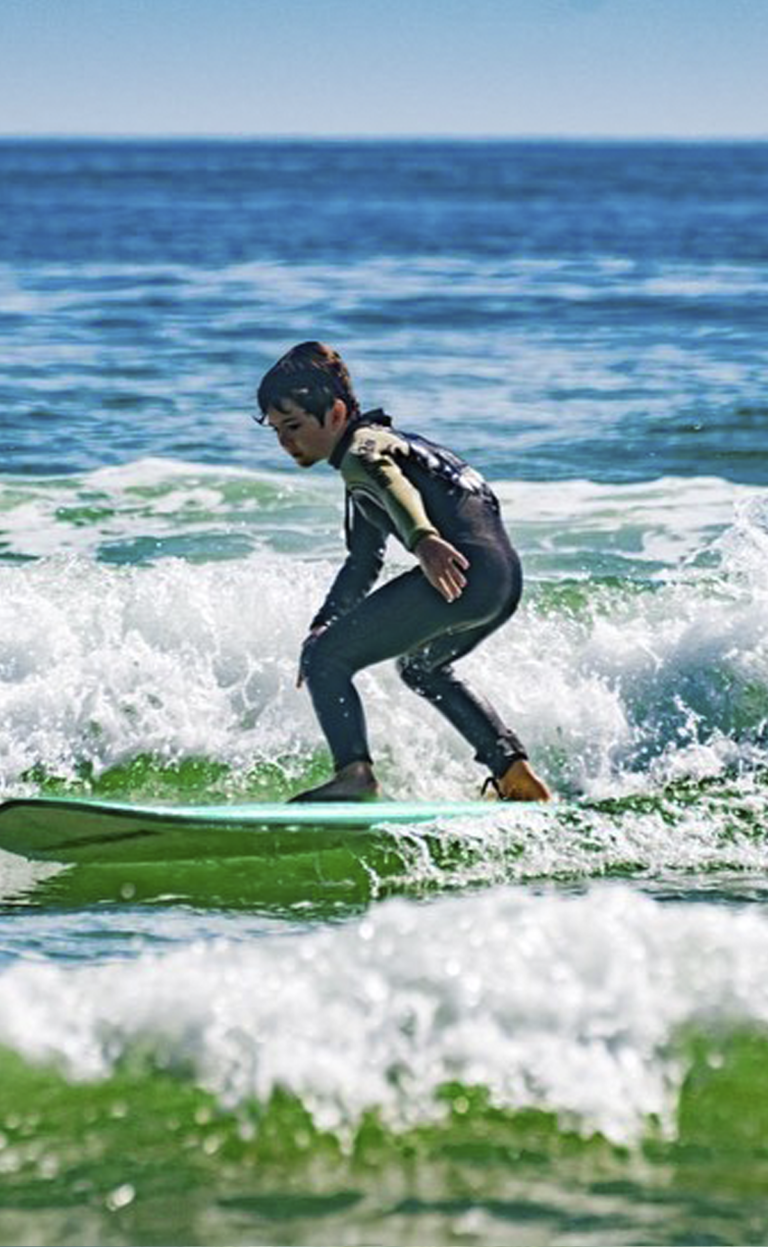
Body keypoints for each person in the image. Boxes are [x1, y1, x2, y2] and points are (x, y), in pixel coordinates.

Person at [256, 341, 551, 804]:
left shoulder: (363, 449)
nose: (285, 442)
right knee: (422, 668)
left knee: (327, 661)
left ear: (335, 413)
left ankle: (355, 776)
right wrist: (324, 623)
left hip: (456, 571)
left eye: (292, 426)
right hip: (503, 581)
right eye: (275, 431)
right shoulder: (402, 449)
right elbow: (363, 561)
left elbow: (385, 476)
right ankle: (514, 774)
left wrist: (423, 540)